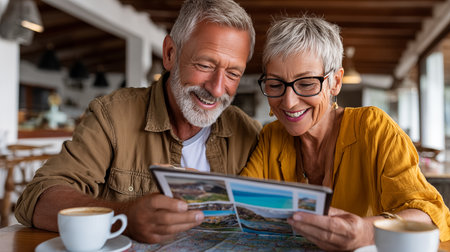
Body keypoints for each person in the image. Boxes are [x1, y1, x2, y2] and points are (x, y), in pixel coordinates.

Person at [15, 0, 261, 244]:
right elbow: (37, 198)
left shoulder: (249, 133)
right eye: (205, 65)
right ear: (170, 54)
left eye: (233, 74)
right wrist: (125, 217)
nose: (217, 89)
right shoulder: (113, 115)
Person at [240, 16, 450, 251]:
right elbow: (241, 204)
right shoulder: (271, 137)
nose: (288, 102)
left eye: (307, 84)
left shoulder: (373, 128)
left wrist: (369, 231)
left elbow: (432, 216)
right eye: (276, 85)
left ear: (335, 82)